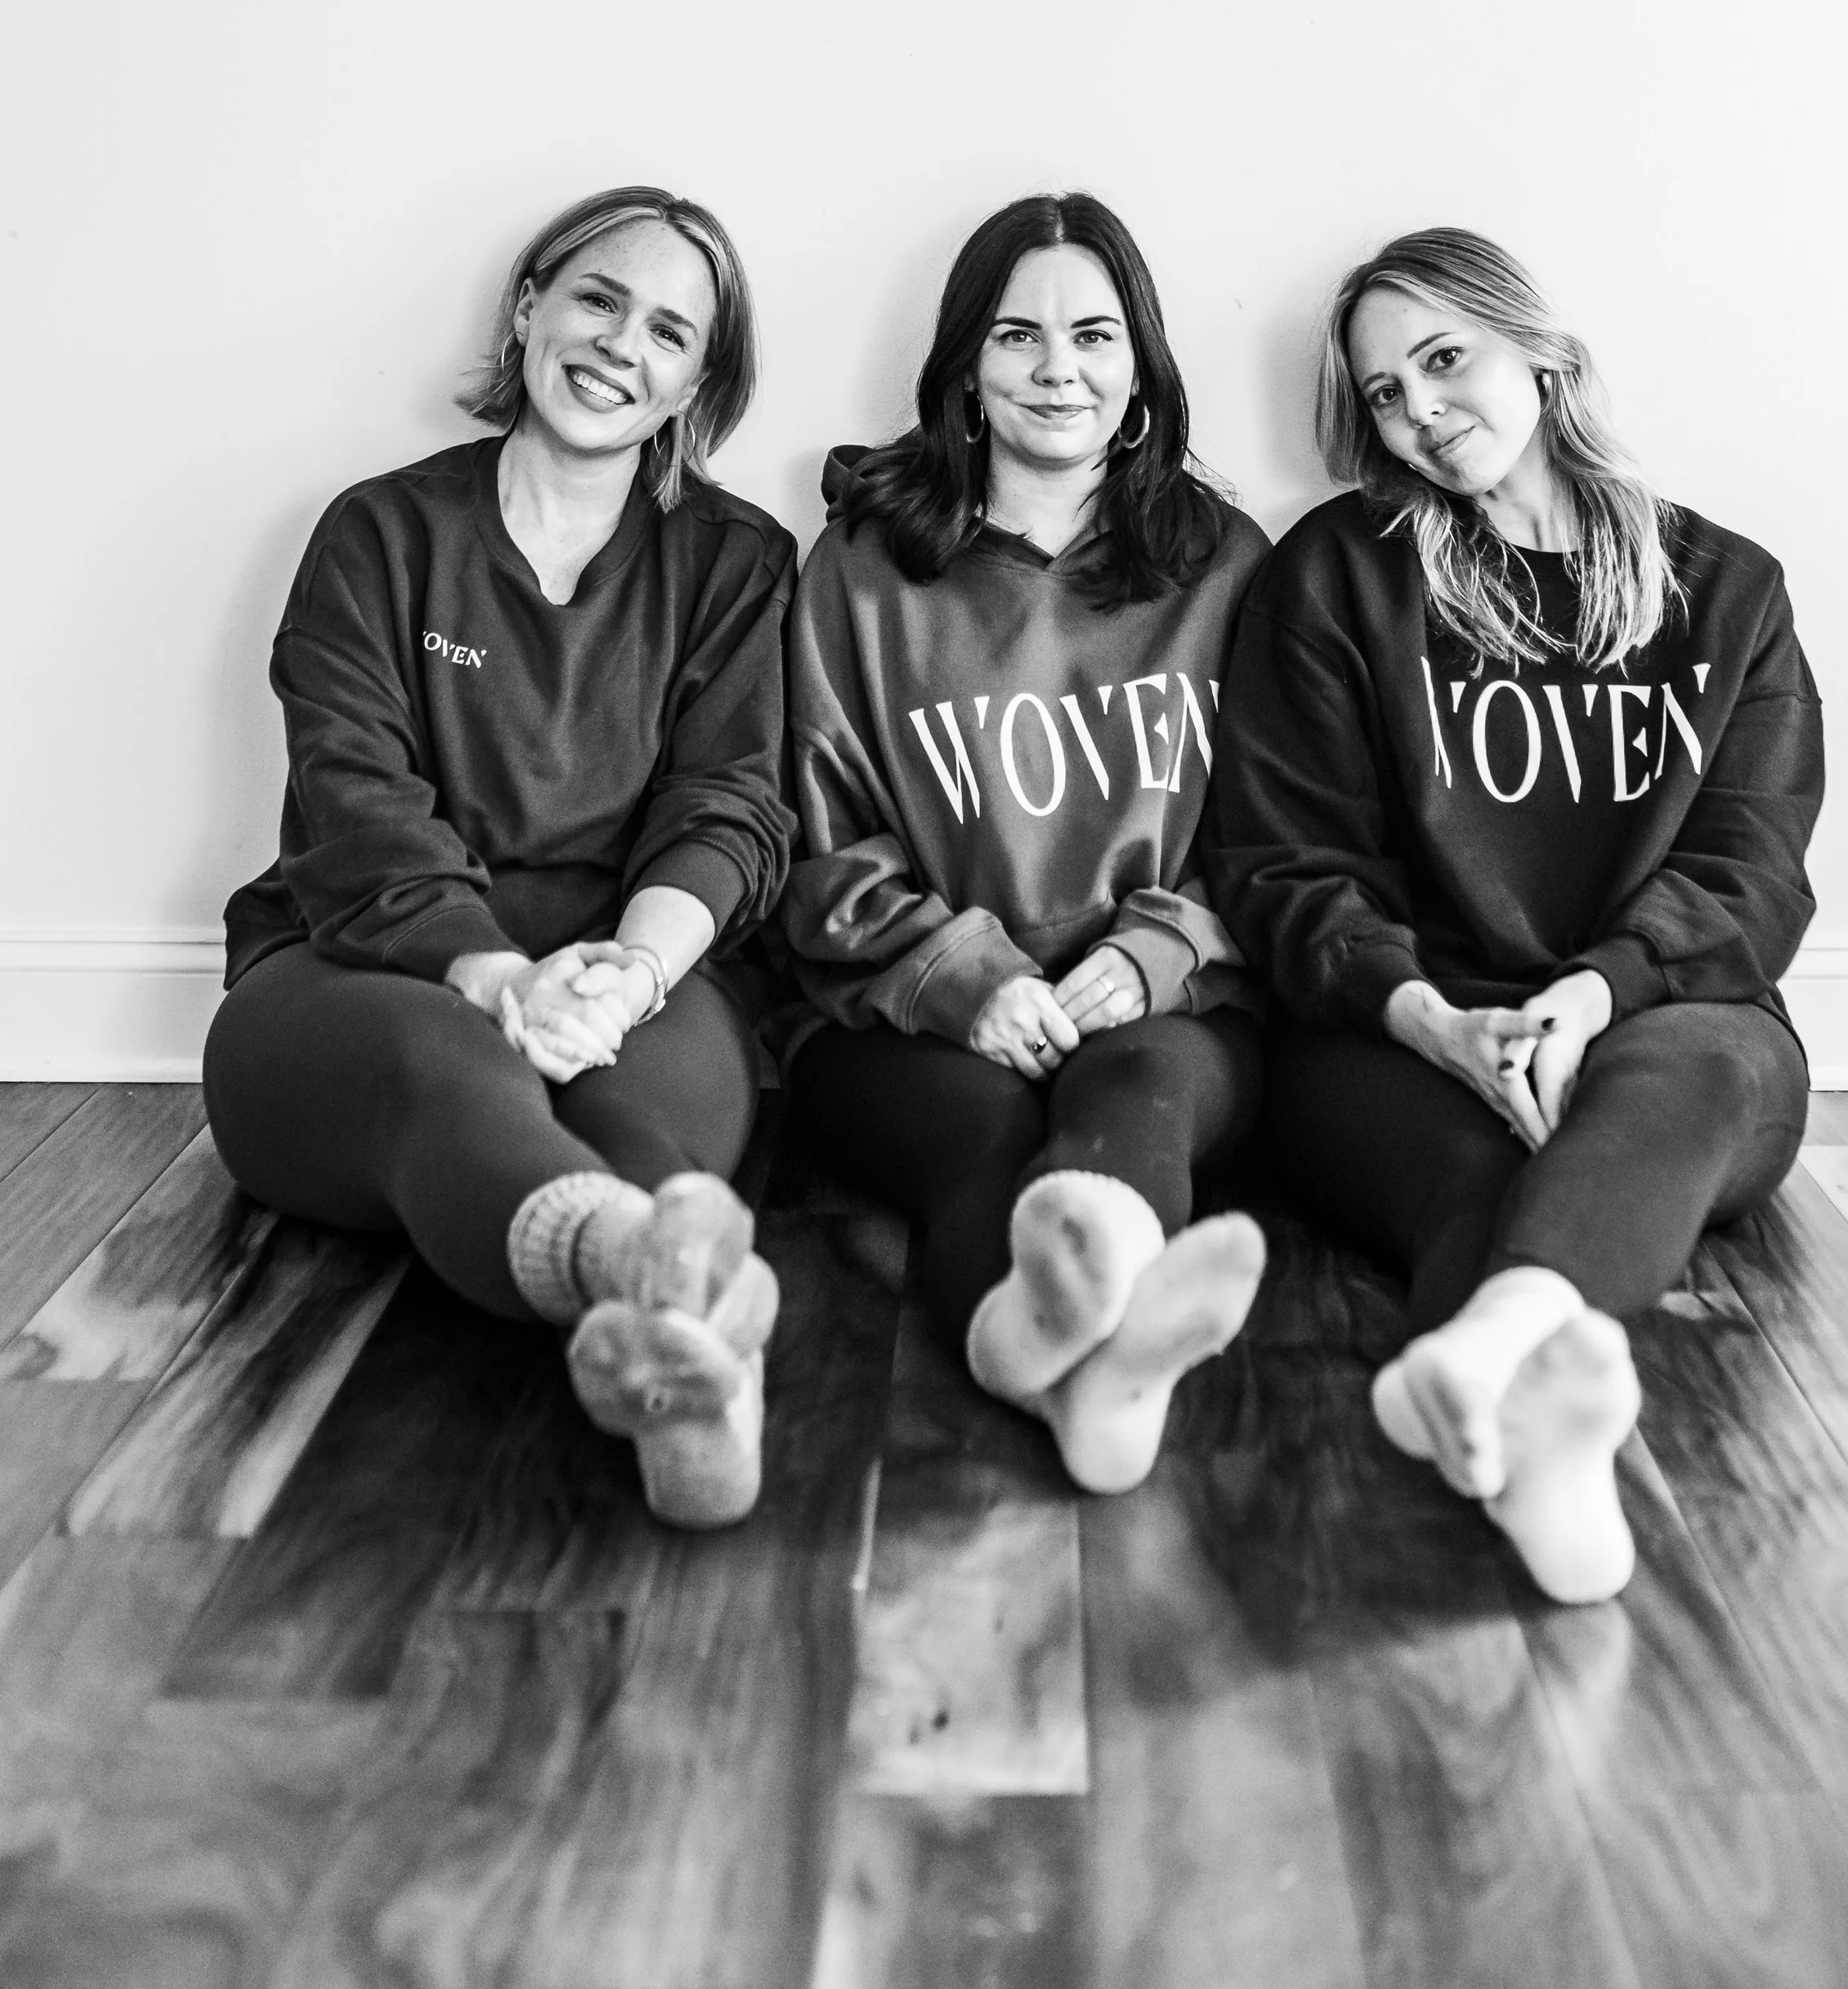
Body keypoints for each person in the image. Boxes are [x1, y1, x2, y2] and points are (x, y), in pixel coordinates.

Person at [1206, 227, 1822, 1602]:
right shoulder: (1340, 577)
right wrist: (1434, 1020)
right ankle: (1544, 1455)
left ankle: (1490, 1351)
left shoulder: (1726, 589)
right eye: (1382, 393)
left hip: (1667, 1027)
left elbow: (1753, 871)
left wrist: (1592, 994)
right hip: (1396, 1029)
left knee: (1692, 1066)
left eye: (1443, 360)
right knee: (1483, 1185)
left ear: (1538, 349)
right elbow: (1284, 862)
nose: (1418, 411)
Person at [205, 185, 795, 1529]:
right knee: (448, 1071)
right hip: (359, 972)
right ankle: (655, 1292)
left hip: (628, 970)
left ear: (698, 381)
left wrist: (631, 976)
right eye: (596, 298)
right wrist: (494, 979)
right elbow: (356, 808)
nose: (617, 346)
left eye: (668, 331)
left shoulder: (737, 559)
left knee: (648, 1126)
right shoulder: (377, 532)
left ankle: (688, 1364)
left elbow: (731, 804)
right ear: (531, 305)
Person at [775, 193, 1269, 1493]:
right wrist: (960, 977)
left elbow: (1285, 837)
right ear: (966, 372)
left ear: (1141, 371)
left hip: (1172, 1004)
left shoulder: (1225, 566)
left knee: (1138, 1092)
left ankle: (1087, 1352)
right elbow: (814, 844)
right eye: (1018, 335)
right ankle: (1076, 1357)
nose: (1059, 368)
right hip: (904, 1015)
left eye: (1095, 335)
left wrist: (1161, 950)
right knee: (984, 1141)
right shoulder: (861, 571)